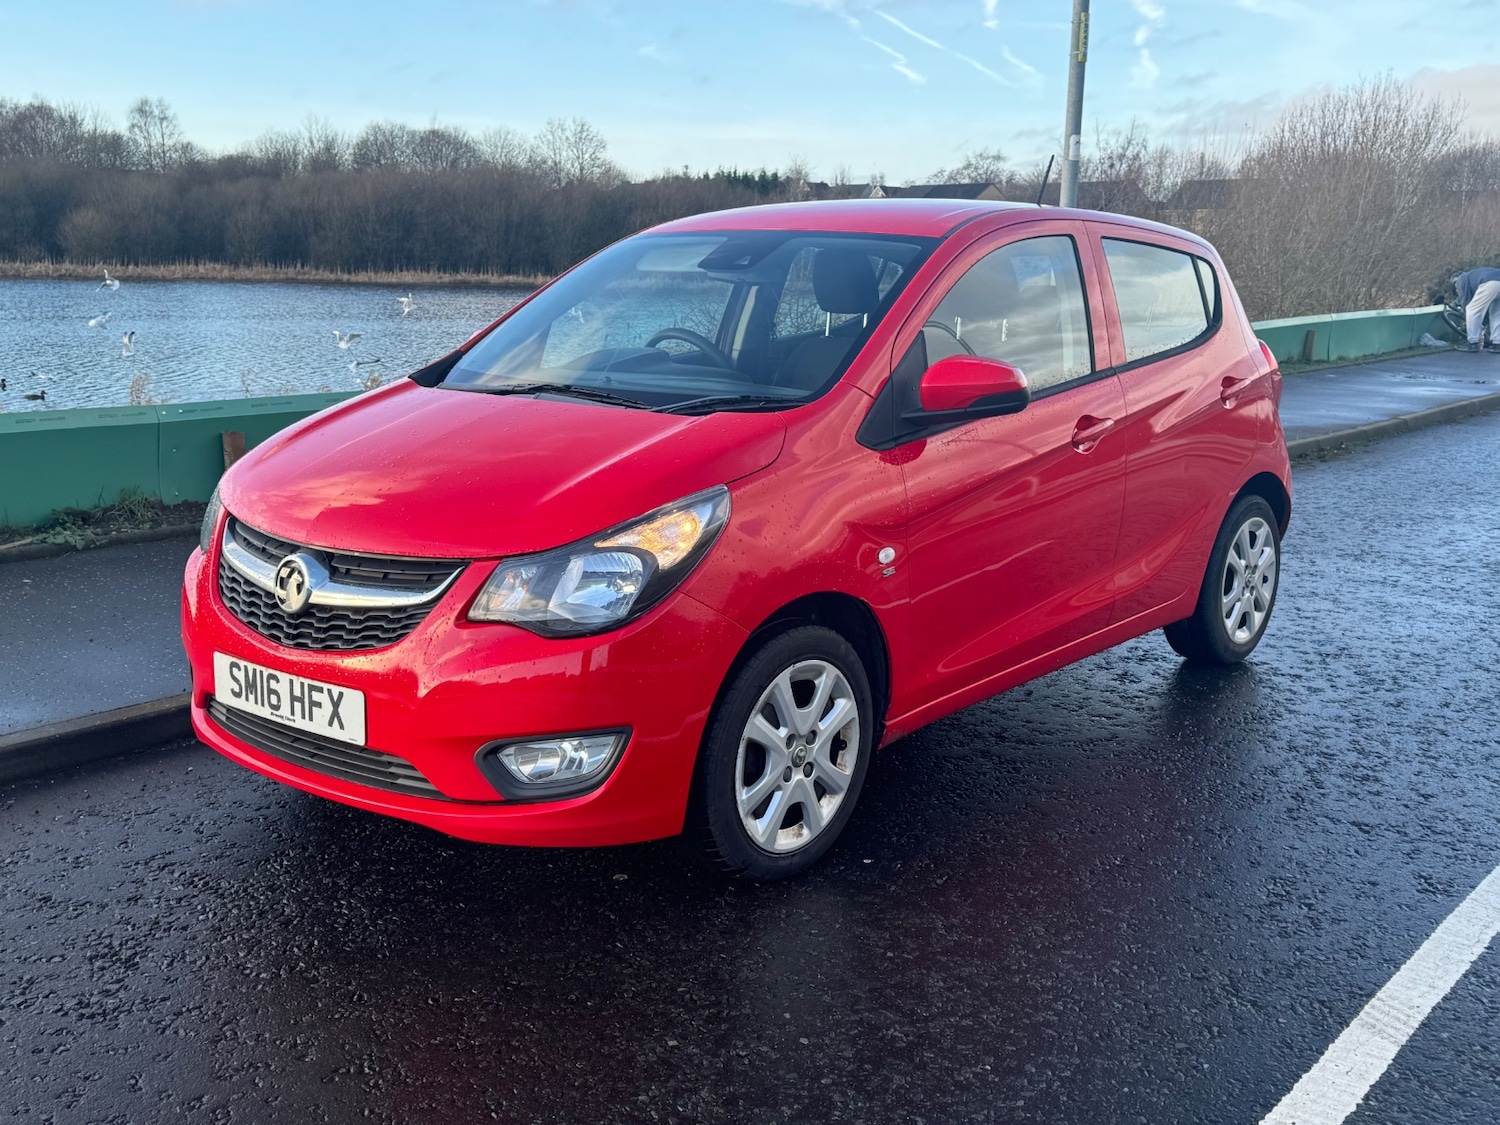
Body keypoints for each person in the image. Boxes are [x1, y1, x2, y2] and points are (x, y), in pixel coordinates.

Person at [1453, 266, 1500, 352]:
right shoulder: (1472, 276)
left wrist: (1466, 315)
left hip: (1490, 282)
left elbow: (1466, 301)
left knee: (1471, 310)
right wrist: (1483, 323)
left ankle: (1473, 343)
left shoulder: (1461, 279)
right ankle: (1497, 344)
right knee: (1497, 314)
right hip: (1495, 279)